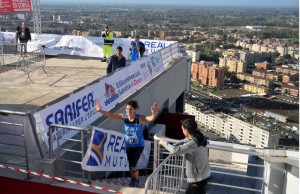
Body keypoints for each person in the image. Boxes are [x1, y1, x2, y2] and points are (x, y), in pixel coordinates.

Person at [95, 100, 159, 187]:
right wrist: (100, 110)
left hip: (139, 145)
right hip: (129, 145)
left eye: (131, 109)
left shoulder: (138, 118)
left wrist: (154, 113)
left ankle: (136, 179)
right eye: (127, 109)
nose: (128, 111)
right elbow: (111, 115)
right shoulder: (124, 117)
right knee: (130, 164)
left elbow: (150, 118)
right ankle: (133, 178)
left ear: (135, 110)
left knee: (133, 164)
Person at [159, 119, 210, 194]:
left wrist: (163, 142)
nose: (182, 131)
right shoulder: (198, 136)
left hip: (197, 178)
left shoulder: (193, 143)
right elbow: (185, 140)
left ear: (186, 131)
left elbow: (176, 150)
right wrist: (175, 145)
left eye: (182, 129)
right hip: (203, 175)